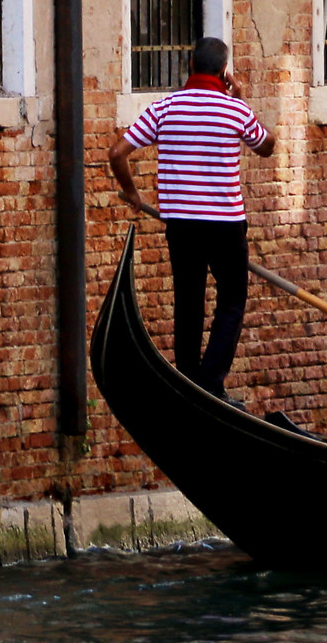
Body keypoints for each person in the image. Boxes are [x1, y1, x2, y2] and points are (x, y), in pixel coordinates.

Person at [107, 36, 274, 400]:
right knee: (231, 298)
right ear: (224, 73)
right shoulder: (235, 111)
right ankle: (211, 383)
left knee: (188, 301)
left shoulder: (165, 108)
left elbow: (117, 153)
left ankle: (186, 382)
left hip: (182, 225)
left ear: (191, 67)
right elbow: (266, 147)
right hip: (226, 226)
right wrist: (241, 99)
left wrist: (133, 193)